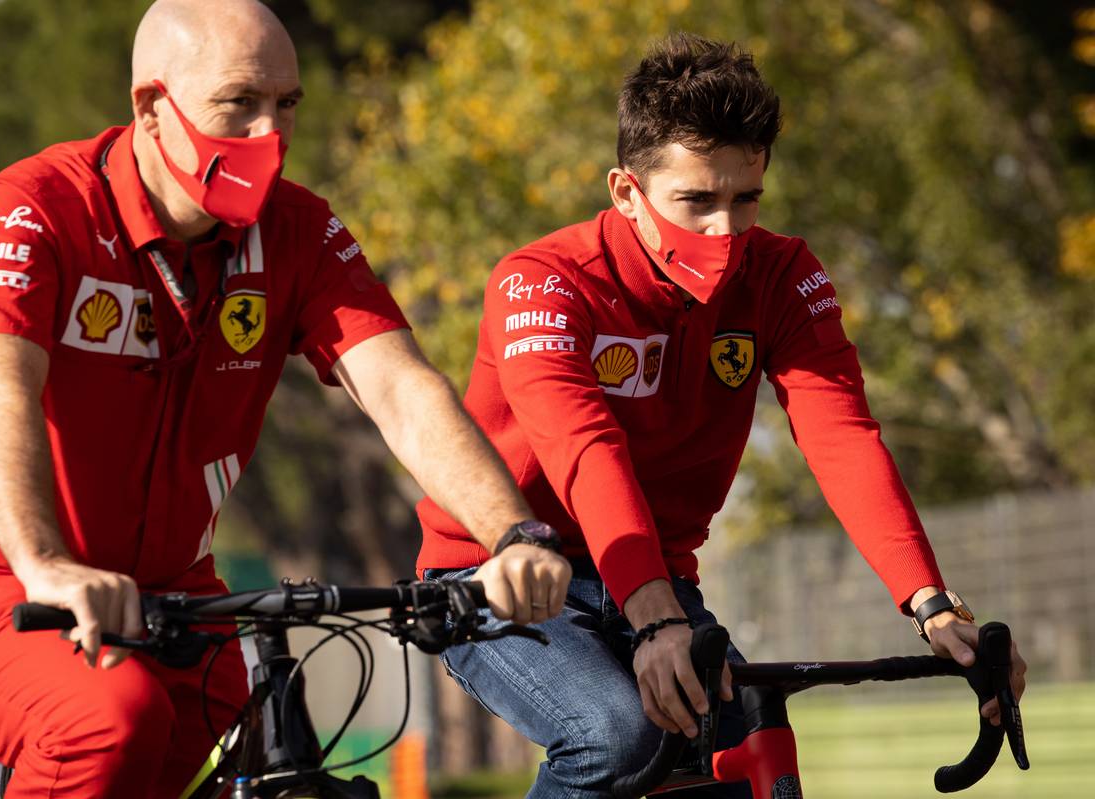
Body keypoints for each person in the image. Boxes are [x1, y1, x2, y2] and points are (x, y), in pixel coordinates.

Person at [0, 1, 570, 796]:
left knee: (265, 737)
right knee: (108, 720)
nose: (269, 137)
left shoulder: (297, 229)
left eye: (286, 106)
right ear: (152, 107)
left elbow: (397, 384)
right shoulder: (35, 204)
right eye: (238, 104)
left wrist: (512, 534)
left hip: (177, 599)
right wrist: (46, 565)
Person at [417, 34, 1028, 798]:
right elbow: (583, 448)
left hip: (658, 577)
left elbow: (842, 436)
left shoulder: (783, 274)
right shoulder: (542, 280)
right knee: (614, 734)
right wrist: (655, 619)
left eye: (746, 198)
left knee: (752, 749)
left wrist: (930, 603)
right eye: (696, 201)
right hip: (499, 572)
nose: (725, 231)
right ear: (625, 192)